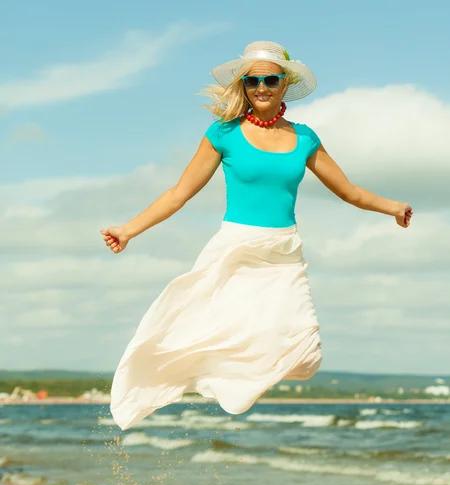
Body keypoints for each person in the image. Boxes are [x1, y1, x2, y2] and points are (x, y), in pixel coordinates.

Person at [101, 41, 413, 430]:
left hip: (283, 251)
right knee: (208, 328)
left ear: (285, 83)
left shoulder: (305, 139)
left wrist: (394, 207)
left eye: (270, 79)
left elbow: (349, 191)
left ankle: (233, 382)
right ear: (244, 87)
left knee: (304, 348)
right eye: (252, 81)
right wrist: (128, 229)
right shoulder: (224, 133)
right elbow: (179, 193)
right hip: (236, 245)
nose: (261, 87)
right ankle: (184, 381)